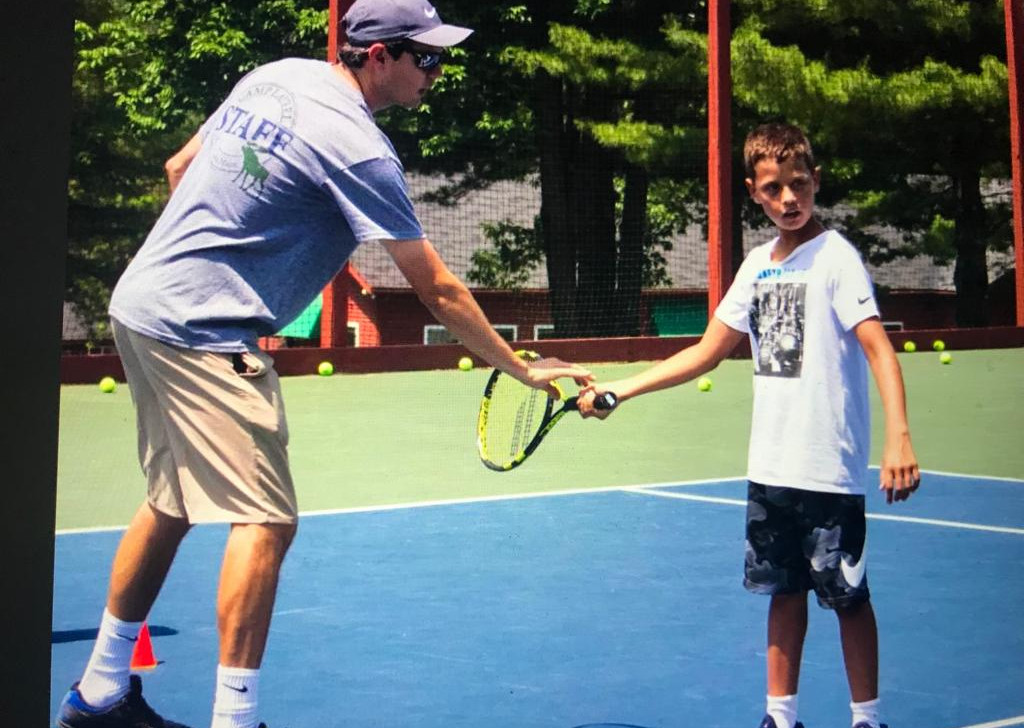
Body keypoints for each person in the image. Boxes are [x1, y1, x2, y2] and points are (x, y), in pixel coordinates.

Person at [55, 2, 592, 727]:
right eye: (425, 57)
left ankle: (99, 691)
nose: (437, 71)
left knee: (172, 501)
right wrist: (524, 368)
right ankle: (234, 719)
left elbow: (179, 167)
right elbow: (435, 287)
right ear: (378, 55)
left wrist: (208, 256)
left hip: (141, 306)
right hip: (204, 332)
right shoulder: (360, 147)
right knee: (267, 521)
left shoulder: (276, 77)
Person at [578, 123, 920, 728]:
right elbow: (705, 352)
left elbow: (879, 350)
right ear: (753, 193)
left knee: (847, 598)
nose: (789, 199)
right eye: (773, 188)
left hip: (828, 472)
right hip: (771, 469)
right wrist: (619, 390)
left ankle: (868, 719)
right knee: (782, 594)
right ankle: (780, 717)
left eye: (798, 185)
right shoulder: (756, 266)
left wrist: (899, 434)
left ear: (816, 181)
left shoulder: (837, 258)